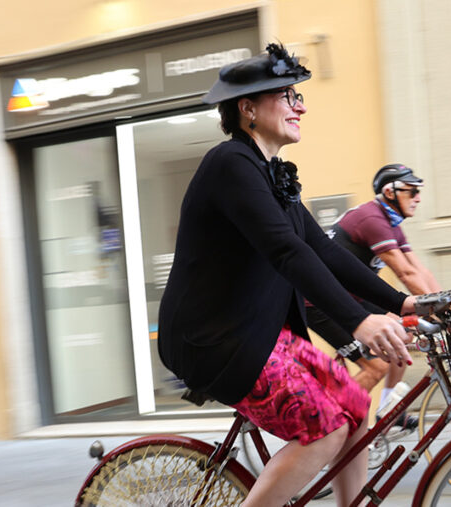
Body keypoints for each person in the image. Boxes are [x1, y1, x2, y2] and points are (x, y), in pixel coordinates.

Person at [156, 43, 419, 507]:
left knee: (357, 408)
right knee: (323, 430)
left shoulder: (271, 171)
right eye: (288, 95)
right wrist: (359, 321)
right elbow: (285, 250)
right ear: (248, 108)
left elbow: (320, 249)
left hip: (260, 332)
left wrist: (402, 304)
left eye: (299, 96)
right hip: (217, 339)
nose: (301, 106)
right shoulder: (230, 164)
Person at [306, 164, 441, 429]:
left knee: (403, 332)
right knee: (376, 367)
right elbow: (404, 273)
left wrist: (445, 303)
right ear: (390, 192)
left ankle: (388, 410)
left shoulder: (391, 221)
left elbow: (418, 269)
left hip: (352, 297)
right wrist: (436, 310)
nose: (418, 198)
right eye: (412, 191)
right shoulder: (372, 220)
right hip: (319, 302)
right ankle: (327, 429)